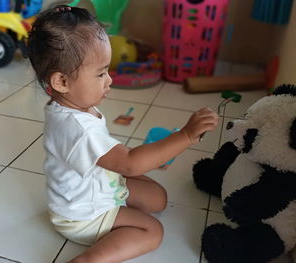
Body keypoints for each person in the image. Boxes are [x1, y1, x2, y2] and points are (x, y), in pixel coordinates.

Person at [27, 5, 219, 263]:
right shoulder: (80, 128)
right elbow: (129, 164)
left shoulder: (68, 103)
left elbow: (123, 163)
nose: (110, 80)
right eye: (100, 73)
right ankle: (88, 260)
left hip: (93, 187)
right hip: (84, 214)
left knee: (158, 198)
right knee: (152, 230)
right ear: (61, 82)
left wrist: (146, 159)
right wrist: (185, 136)